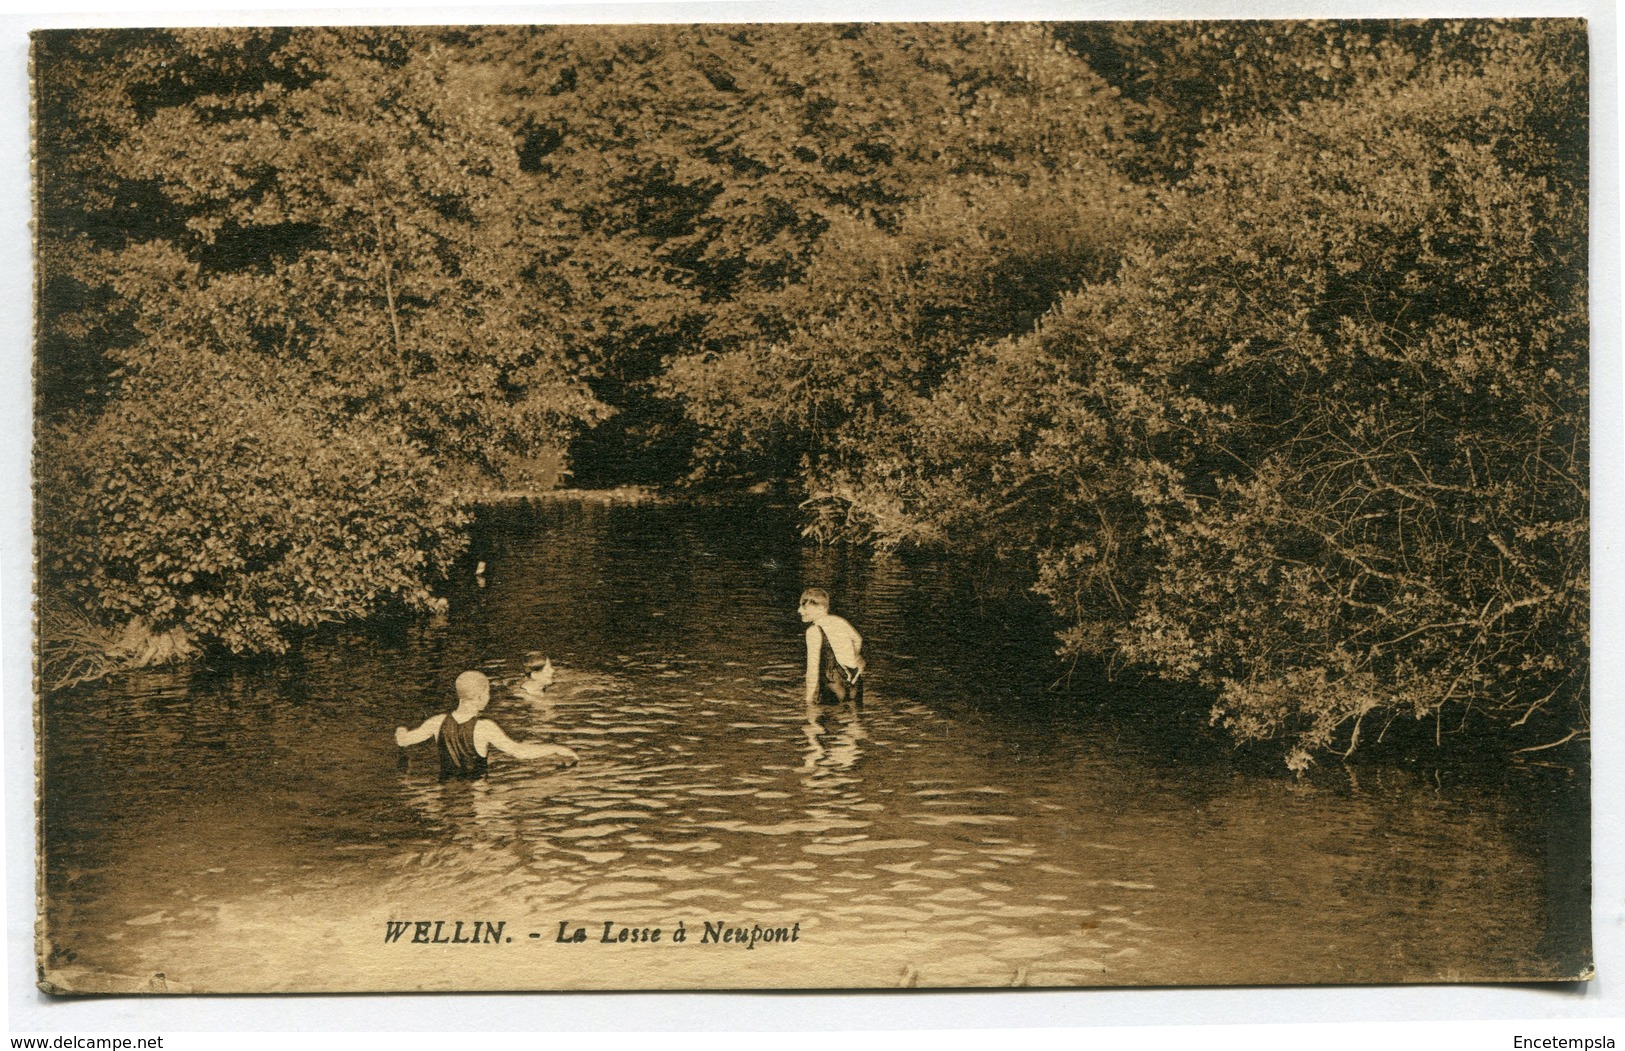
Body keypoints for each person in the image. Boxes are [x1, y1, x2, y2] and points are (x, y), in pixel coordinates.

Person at [395, 670, 577, 780]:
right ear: (481, 697)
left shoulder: (436, 722)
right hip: (477, 796)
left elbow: (403, 741)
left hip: (446, 794)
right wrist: (556, 748)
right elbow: (519, 751)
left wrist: (401, 730)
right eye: (488, 693)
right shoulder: (484, 727)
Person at [799, 588, 864, 707]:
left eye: (804, 608)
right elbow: (858, 640)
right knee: (855, 721)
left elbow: (812, 670)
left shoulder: (813, 631)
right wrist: (855, 656)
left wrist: (808, 701)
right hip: (855, 683)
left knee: (823, 721)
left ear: (820, 609)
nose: (799, 611)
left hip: (834, 686)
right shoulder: (840, 621)